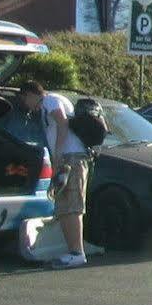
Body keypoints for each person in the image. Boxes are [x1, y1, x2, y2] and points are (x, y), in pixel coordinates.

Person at [13, 78, 95, 268]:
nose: (26, 105)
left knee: (72, 206)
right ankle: (73, 251)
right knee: (65, 206)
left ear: (31, 94)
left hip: (71, 158)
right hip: (68, 158)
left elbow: (62, 123)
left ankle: (77, 253)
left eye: (25, 99)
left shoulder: (49, 101)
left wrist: (57, 155)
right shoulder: (45, 107)